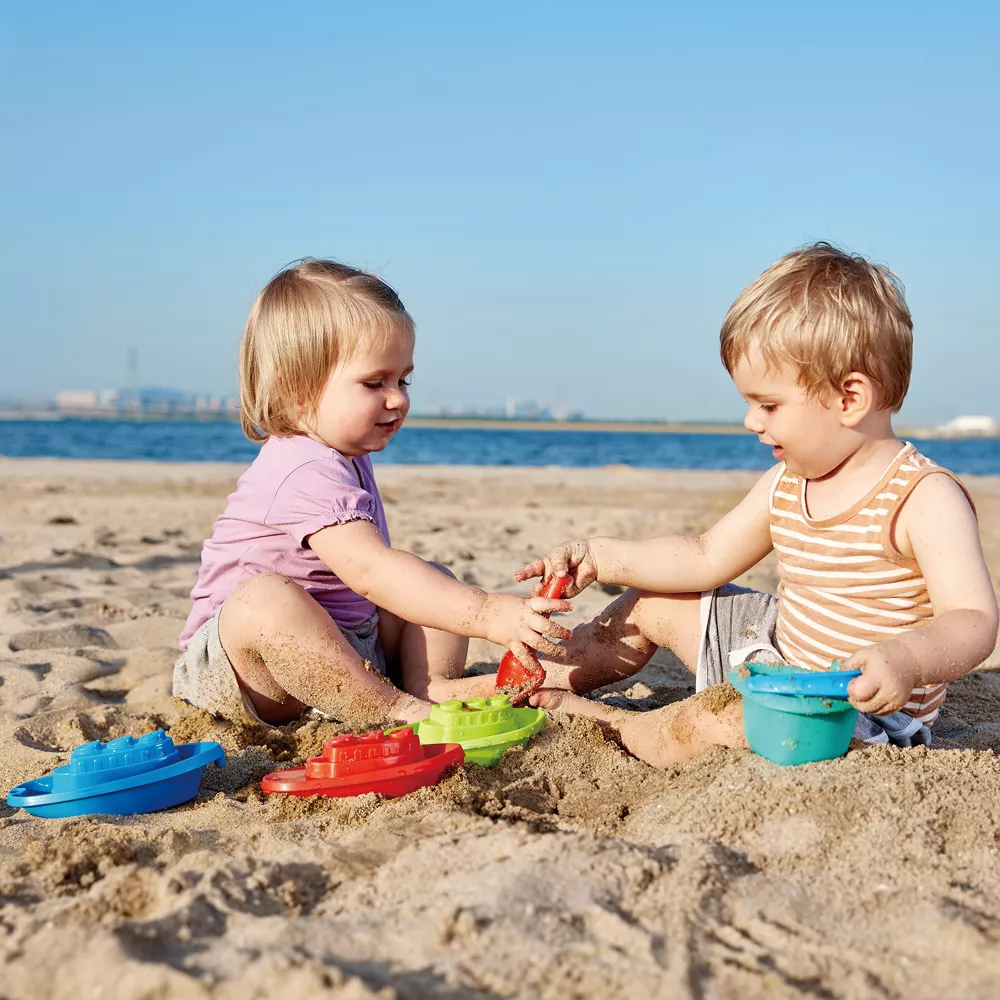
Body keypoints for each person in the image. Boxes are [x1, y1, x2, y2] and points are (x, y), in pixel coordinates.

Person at [515, 243, 998, 766]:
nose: (751, 421)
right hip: (777, 658)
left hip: (858, 708)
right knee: (653, 600)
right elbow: (703, 556)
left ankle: (619, 725)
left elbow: (973, 619)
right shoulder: (784, 482)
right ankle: (549, 677)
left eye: (768, 404)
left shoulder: (923, 497)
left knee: (725, 718)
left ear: (849, 398)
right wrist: (602, 556)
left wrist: (905, 658)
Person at [175, 259, 570, 727]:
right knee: (266, 599)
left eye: (403, 379)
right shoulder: (300, 466)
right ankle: (393, 707)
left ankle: (428, 687)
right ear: (297, 390)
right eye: (374, 382)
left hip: (343, 647)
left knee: (429, 575)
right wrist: (485, 613)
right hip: (247, 670)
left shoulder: (344, 453)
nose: (399, 398)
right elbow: (370, 571)